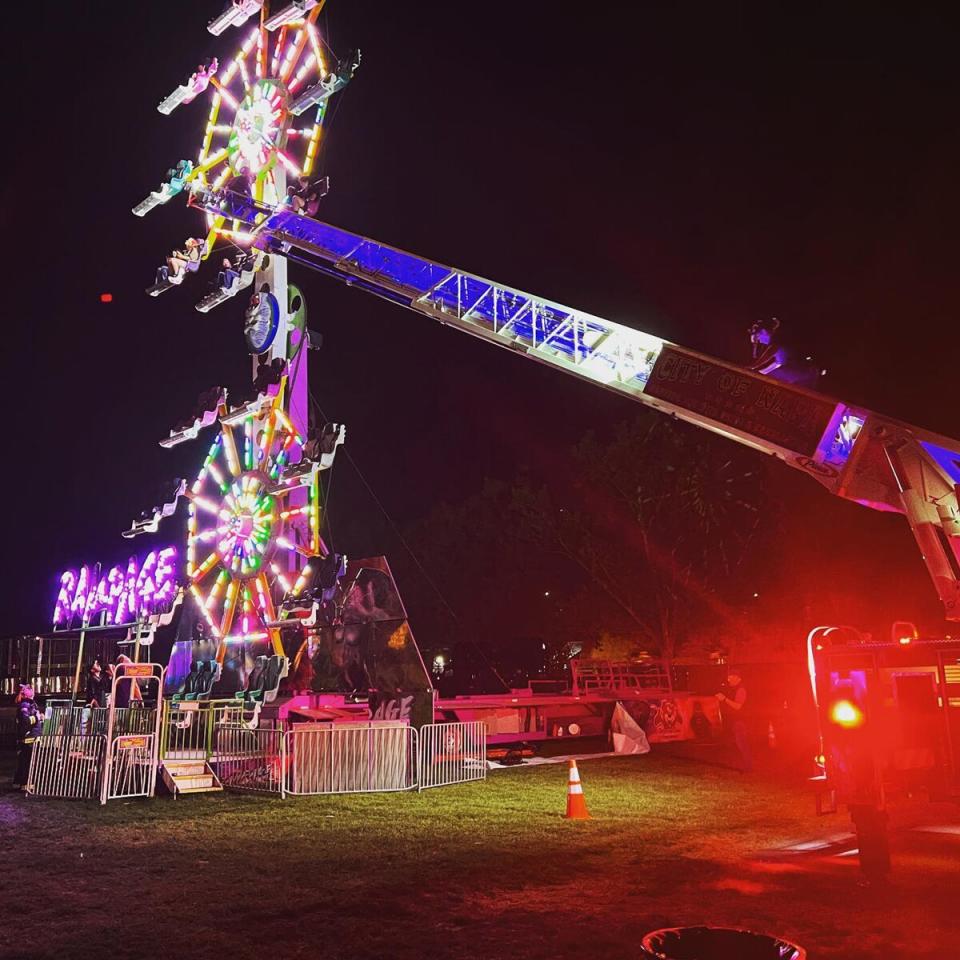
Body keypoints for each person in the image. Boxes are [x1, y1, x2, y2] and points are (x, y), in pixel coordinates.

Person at [716, 669, 751, 772]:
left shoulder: (741, 689)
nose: (728, 680)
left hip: (740, 722)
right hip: (736, 721)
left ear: (737, 678)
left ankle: (748, 767)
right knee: (738, 744)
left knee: (742, 744)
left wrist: (724, 699)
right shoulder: (735, 689)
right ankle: (744, 765)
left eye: (730, 677)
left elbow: (738, 706)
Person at [13, 684, 43, 790]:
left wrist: (39, 718)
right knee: (27, 762)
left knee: (26, 761)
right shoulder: (25, 705)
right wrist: (36, 717)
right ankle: (25, 783)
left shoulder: (31, 704)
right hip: (28, 738)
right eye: (30, 689)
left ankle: (21, 782)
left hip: (32, 737)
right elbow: (25, 721)